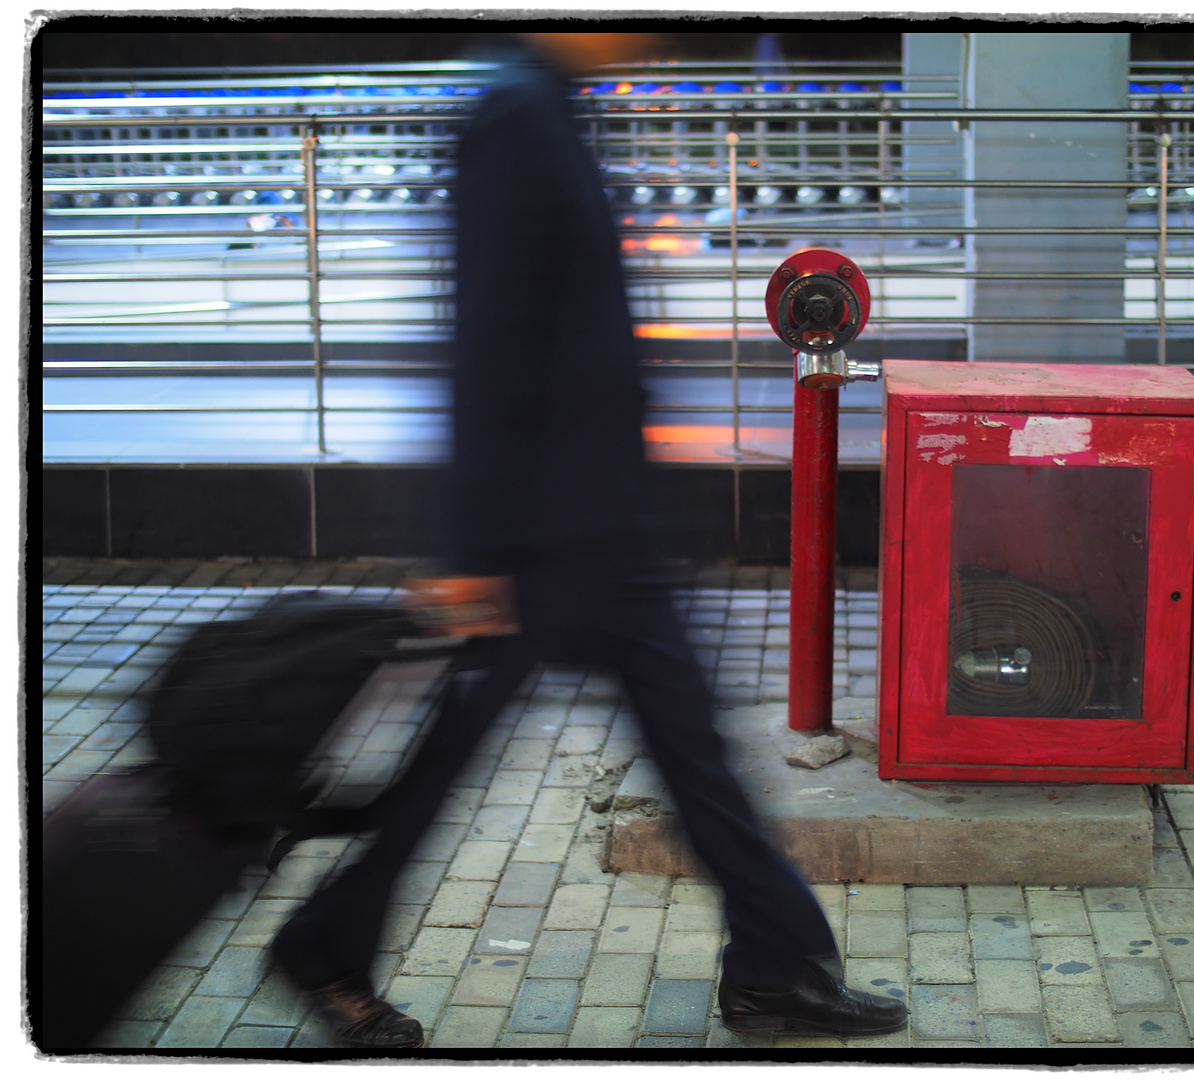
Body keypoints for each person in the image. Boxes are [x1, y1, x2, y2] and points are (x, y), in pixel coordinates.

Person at [269, 32, 907, 1049]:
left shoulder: (551, 103)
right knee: (474, 763)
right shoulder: (515, 113)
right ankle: (325, 945)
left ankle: (778, 967)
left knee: (684, 755)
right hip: (541, 538)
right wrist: (473, 549)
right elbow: (486, 339)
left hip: (595, 524)